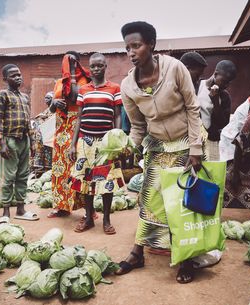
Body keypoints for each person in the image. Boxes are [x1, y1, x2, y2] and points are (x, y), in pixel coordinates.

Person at [116, 21, 203, 283]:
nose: (131, 52)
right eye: (127, 47)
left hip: (186, 144)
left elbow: (192, 107)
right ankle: (138, 252)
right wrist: (128, 148)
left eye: (137, 45)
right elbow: (137, 126)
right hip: (156, 147)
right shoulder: (128, 86)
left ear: (151, 45)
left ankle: (186, 257)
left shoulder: (175, 68)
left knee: (182, 203)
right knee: (150, 201)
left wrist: (196, 148)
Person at [69, 52, 124, 235]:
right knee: (86, 181)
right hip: (85, 142)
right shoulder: (84, 90)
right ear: (89, 68)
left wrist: (117, 141)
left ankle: (106, 220)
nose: (96, 69)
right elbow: (79, 118)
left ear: (105, 67)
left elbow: (117, 115)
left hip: (105, 143)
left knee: (107, 182)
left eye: (100, 65)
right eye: (93, 66)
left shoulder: (114, 88)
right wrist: (72, 144)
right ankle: (89, 217)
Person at [48, 51, 91, 218]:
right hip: (60, 128)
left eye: (71, 61)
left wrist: (72, 72)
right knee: (59, 169)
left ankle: (88, 209)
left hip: (76, 127)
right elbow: (52, 109)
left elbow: (74, 96)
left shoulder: (84, 81)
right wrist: (53, 102)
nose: (67, 63)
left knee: (79, 167)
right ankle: (61, 206)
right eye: (65, 61)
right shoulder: (59, 82)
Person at [0, 64, 38, 221]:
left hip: (24, 140)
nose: (18, 77)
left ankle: (21, 209)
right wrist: (2, 143)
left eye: (19, 75)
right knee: (8, 177)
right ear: (5, 79)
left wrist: (32, 142)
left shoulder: (24, 97)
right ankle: (5, 212)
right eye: (13, 75)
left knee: (22, 175)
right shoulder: (3, 95)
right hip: (10, 140)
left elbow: (28, 122)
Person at [195, 60, 237, 160]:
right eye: (224, 81)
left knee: (210, 173)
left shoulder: (224, 96)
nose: (226, 85)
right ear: (216, 74)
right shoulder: (198, 86)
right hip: (194, 140)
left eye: (228, 83)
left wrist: (216, 103)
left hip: (212, 142)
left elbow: (224, 124)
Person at [29, 91, 54, 174]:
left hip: (50, 136)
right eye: (45, 98)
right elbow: (39, 119)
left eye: (48, 98)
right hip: (42, 136)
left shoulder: (55, 111)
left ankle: (48, 167)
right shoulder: (46, 111)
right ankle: (40, 166)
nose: (46, 100)